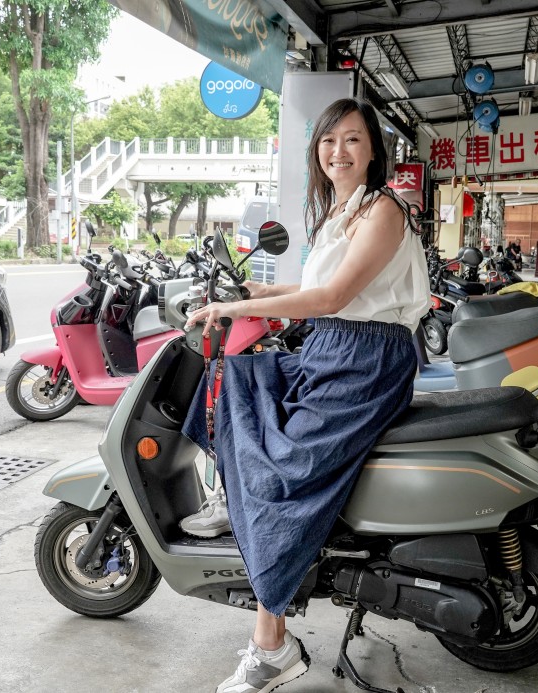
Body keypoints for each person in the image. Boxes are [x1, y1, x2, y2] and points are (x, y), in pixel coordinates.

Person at [178, 97, 429, 693]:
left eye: (352, 140)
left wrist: (236, 307)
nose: (338, 152)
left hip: (366, 359)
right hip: (332, 348)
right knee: (234, 382)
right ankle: (234, 497)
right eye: (328, 141)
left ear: (372, 151)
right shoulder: (341, 212)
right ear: (317, 152)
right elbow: (312, 284)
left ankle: (272, 646)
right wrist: (250, 289)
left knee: (284, 474)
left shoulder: (383, 210)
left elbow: (332, 297)